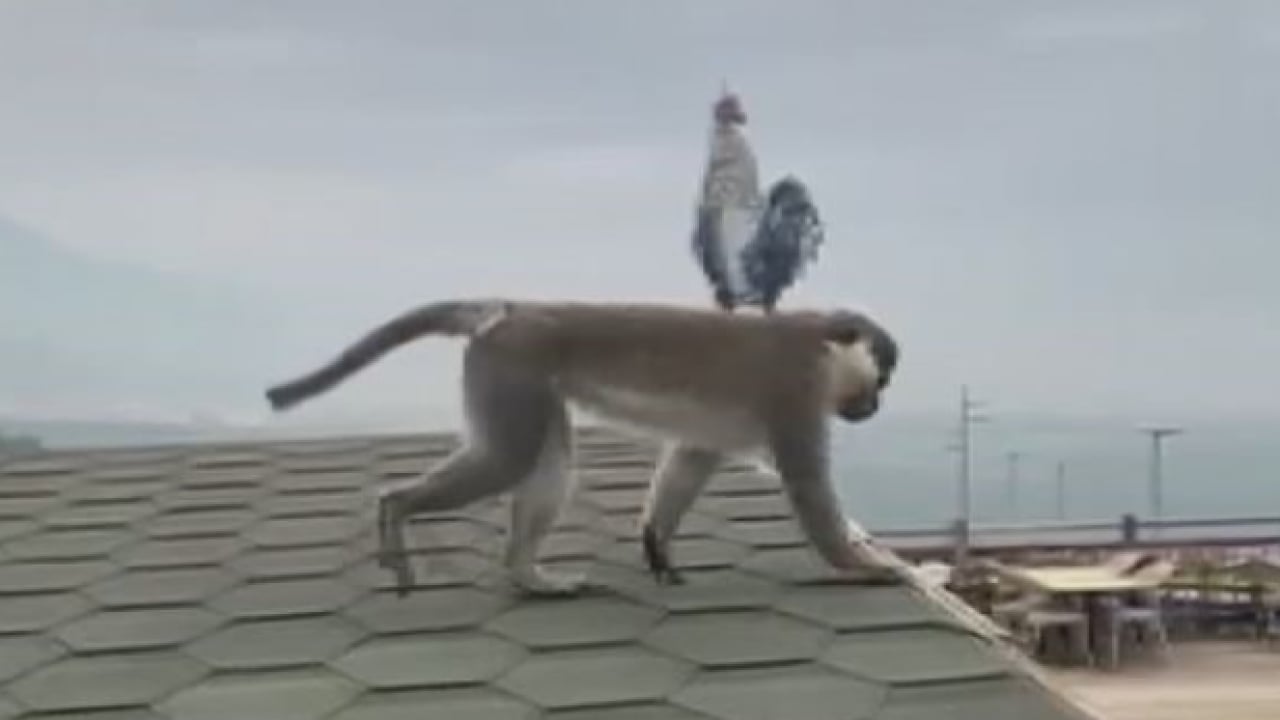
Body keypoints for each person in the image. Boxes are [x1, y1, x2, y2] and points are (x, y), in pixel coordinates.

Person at [691, 90, 826, 313]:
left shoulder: (732, 143)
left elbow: (726, 180)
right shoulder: (726, 142)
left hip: (735, 205)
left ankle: (745, 294)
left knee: (735, 250)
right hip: (729, 205)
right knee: (729, 250)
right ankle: (740, 295)